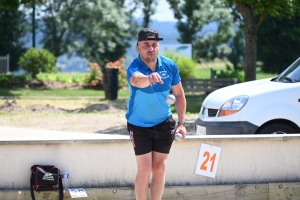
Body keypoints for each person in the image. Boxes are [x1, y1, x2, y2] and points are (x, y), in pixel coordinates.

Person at [125, 27, 187, 200]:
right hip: (139, 125)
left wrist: (182, 123)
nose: (151, 48)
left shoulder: (169, 65)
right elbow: (136, 80)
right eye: (146, 45)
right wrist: (149, 78)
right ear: (138, 47)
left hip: (164, 122)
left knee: (160, 168)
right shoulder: (134, 67)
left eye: (154, 44)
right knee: (145, 169)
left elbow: (180, 95)